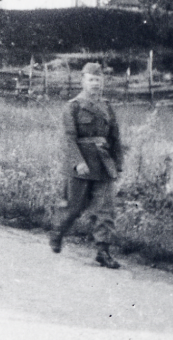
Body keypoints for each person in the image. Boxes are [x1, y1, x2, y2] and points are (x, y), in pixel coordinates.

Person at [49, 62, 124, 269]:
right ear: (83, 81)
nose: (95, 84)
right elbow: (68, 138)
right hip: (82, 164)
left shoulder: (107, 107)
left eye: (98, 80)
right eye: (91, 80)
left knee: (105, 209)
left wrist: (118, 163)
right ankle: (57, 232)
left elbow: (115, 137)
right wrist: (78, 162)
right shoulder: (72, 106)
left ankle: (103, 251)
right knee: (73, 207)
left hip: (103, 164)